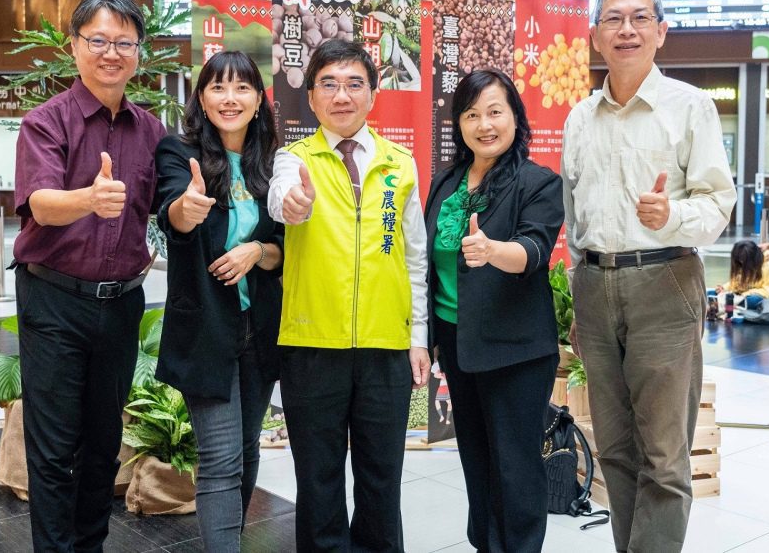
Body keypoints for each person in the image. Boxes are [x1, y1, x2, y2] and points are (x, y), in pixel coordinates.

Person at [560, 0, 736, 552]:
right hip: (594, 282)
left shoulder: (691, 107)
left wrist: (672, 217)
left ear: (661, 32)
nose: (626, 29)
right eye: (613, 18)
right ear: (595, 37)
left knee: (663, 454)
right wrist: (575, 279)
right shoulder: (580, 118)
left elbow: (717, 202)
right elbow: (573, 210)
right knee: (613, 446)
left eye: (640, 18)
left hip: (665, 279)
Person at [11, 0, 166, 553]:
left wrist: (186, 208)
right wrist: (89, 199)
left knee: (103, 445)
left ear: (139, 52)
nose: (111, 53)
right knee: (53, 449)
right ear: (75, 47)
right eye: (98, 40)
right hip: (54, 300)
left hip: (121, 304)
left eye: (124, 42)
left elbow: (168, 206)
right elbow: (42, 202)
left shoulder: (152, 132)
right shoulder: (46, 122)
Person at [267, 39, 430, 552]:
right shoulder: (294, 159)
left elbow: (415, 257)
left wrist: (418, 338)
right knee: (318, 481)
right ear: (311, 98)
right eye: (329, 85)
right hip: (312, 345)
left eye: (354, 84)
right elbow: (281, 201)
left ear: (373, 94)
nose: (342, 96)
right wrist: (293, 204)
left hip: (386, 344)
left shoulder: (400, 164)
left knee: (382, 480)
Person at [425, 69, 563, 552]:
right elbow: (426, 264)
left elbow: (534, 249)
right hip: (459, 345)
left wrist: (493, 251)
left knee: (516, 466)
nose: (484, 124)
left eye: (494, 112)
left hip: (516, 350)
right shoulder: (446, 182)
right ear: (459, 124)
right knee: (477, 461)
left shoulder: (538, 182)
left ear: (515, 117)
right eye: (471, 114)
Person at [154, 51, 284, 552]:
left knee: (248, 451)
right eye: (218, 88)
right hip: (204, 327)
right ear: (202, 99)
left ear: (258, 100)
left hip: (260, 328)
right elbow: (172, 215)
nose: (230, 98)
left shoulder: (273, 162)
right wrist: (185, 208)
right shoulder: (178, 152)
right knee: (221, 456)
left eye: (242, 88)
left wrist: (259, 249)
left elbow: (284, 249)